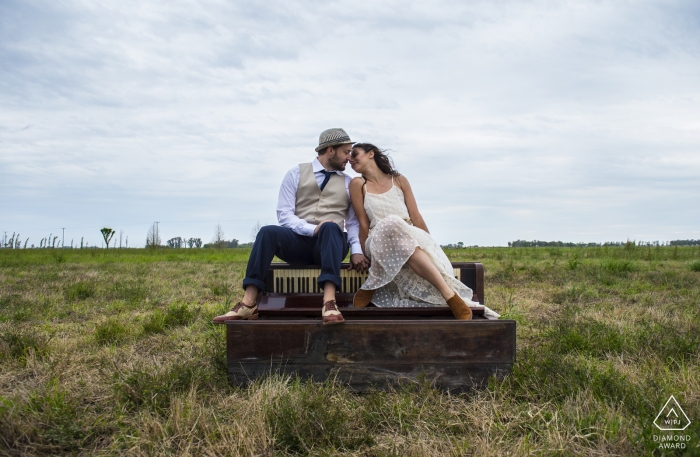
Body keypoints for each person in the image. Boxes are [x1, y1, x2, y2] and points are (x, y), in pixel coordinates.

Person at [213, 128, 370, 325]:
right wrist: (311, 229)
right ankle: (248, 303)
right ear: (331, 150)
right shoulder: (295, 173)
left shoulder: (349, 183)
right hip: (299, 243)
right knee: (267, 232)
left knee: (330, 227)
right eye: (346, 152)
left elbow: (353, 222)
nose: (349, 157)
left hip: (330, 246)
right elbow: (284, 214)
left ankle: (329, 302)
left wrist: (356, 250)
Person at [348, 143, 499, 319]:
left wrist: (430, 245)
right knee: (390, 221)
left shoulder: (399, 180)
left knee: (402, 233)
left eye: (355, 154)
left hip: (406, 236)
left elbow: (416, 216)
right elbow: (363, 223)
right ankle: (447, 294)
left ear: (371, 154)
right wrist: (364, 254)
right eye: (349, 156)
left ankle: (448, 295)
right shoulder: (358, 184)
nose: (351, 159)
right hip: (376, 240)